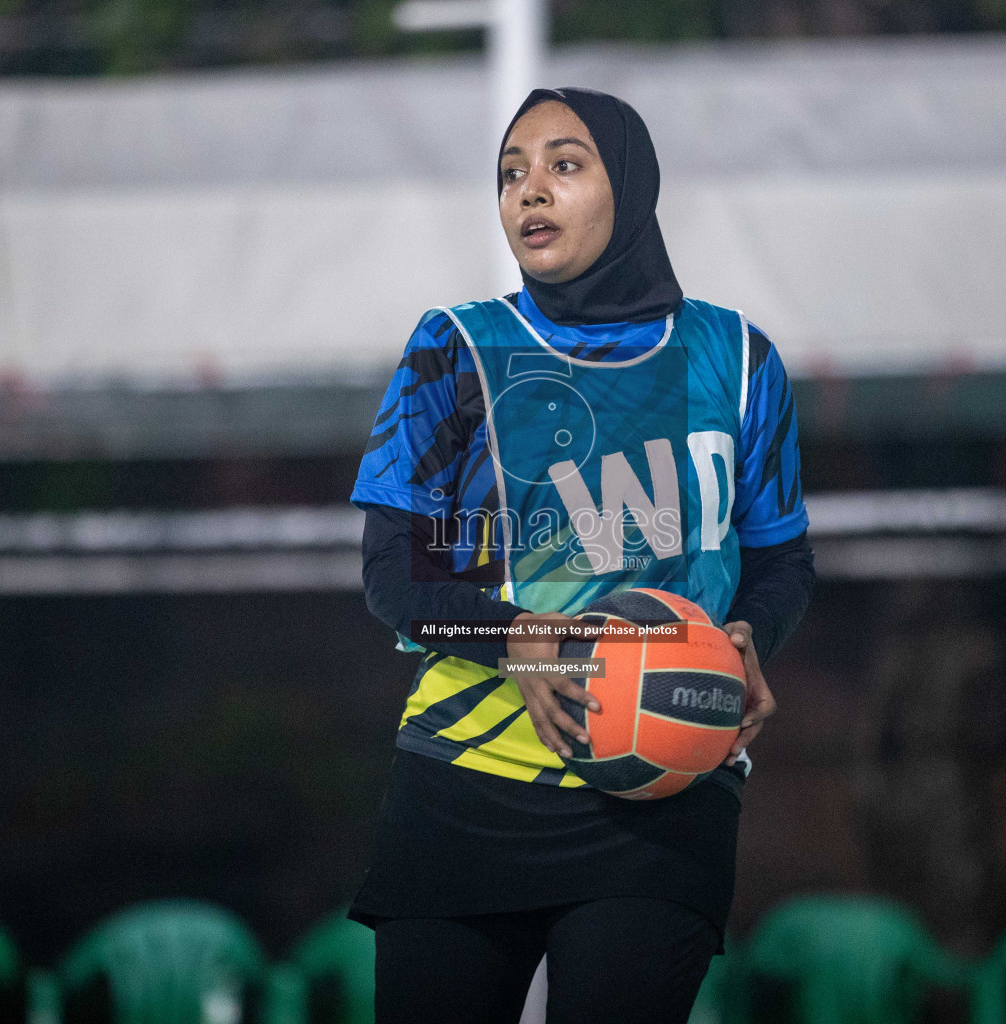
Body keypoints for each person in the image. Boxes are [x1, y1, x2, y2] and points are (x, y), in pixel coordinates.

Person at [349, 87, 815, 1024]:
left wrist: (753, 635)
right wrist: (517, 638)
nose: (532, 193)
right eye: (512, 173)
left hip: (667, 782)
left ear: (632, 187)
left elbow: (782, 557)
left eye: (565, 165)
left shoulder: (738, 358)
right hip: (463, 783)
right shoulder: (456, 348)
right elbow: (395, 579)